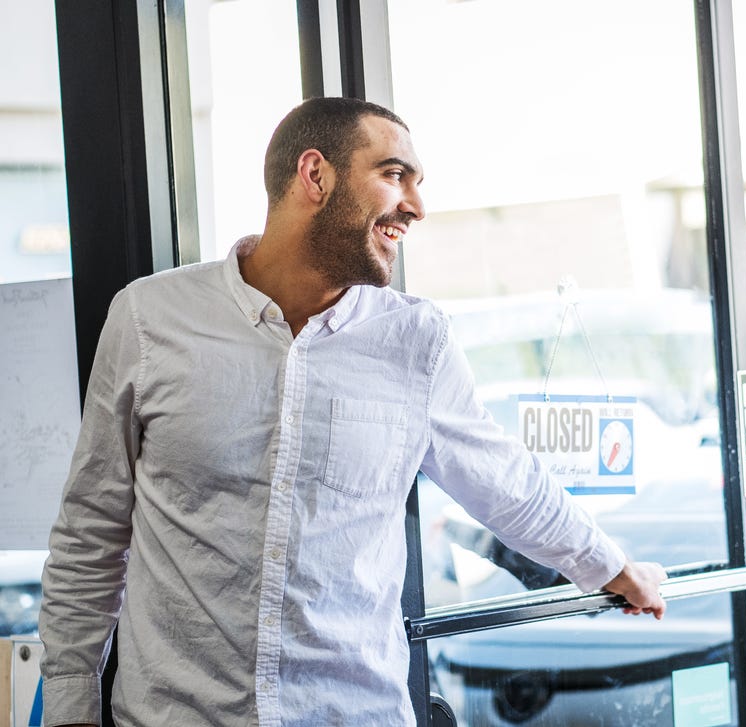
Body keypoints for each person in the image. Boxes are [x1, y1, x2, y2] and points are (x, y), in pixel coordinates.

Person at [38, 96, 668, 727]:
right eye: (395, 175)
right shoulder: (149, 318)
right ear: (315, 176)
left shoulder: (418, 341)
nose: (416, 207)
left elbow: (506, 481)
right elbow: (92, 527)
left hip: (352, 711)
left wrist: (611, 567)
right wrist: (71, 706)